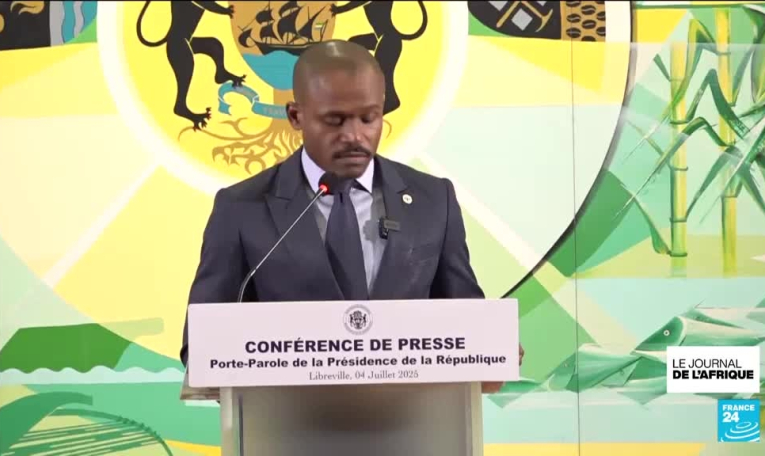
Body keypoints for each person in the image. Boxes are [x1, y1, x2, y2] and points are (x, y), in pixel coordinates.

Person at [180, 40, 523, 393]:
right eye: (335, 120)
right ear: (296, 116)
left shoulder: (434, 200)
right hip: (288, 420)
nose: (354, 136)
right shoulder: (240, 208)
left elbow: (464, 316)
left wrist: (491, 348)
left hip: (410, 419)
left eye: (368, 118)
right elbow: (203, 343)